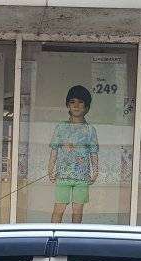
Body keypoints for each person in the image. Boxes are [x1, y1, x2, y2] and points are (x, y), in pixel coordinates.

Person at [48, 85, 99, 224]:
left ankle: (74, 235)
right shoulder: (61, 127)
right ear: (67, 105)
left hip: (82, 176)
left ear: (87, 107)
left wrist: (95, 171)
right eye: (72, 102)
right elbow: (54, 150)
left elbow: (93, 152)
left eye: (80, 102)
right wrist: (50, 169)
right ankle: (53, 233)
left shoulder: (90, 130)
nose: (76, 105)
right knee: (59, 208)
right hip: (62, 175)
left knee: (78, 210)